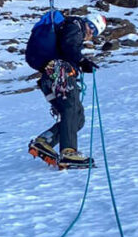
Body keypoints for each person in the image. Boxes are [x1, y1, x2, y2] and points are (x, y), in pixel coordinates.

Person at [28, 11, 106, 169]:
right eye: (92, 29)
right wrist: (82, 61)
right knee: (71, 107)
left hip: (49, 78)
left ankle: (44, 141)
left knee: (77, 117)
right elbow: (69, 45)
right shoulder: (75, 26)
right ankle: (68, 152)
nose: (91, 34)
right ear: (88, 23)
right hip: (60, 74)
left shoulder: (70, 27)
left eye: (94, 32)